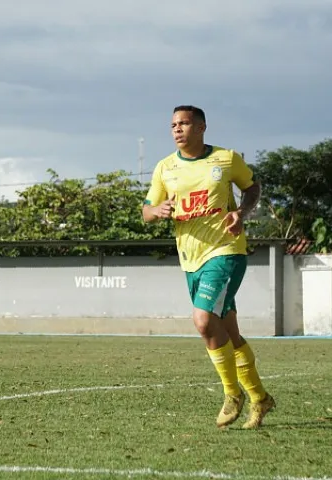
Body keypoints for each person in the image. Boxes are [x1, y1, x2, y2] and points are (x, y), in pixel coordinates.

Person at [142, 105, 275, 429]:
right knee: (228, 331)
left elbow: (252, 187)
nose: (177, 129)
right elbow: (146, 211)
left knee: (203, 321)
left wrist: (241, 213)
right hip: (190, 258)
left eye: (184, 123)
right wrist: (157, 210)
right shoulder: (165, 168)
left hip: (226, 251)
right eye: (173, 124)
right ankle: (260, 397)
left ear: (201, 127)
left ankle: (233, 394)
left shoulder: (226, 160)